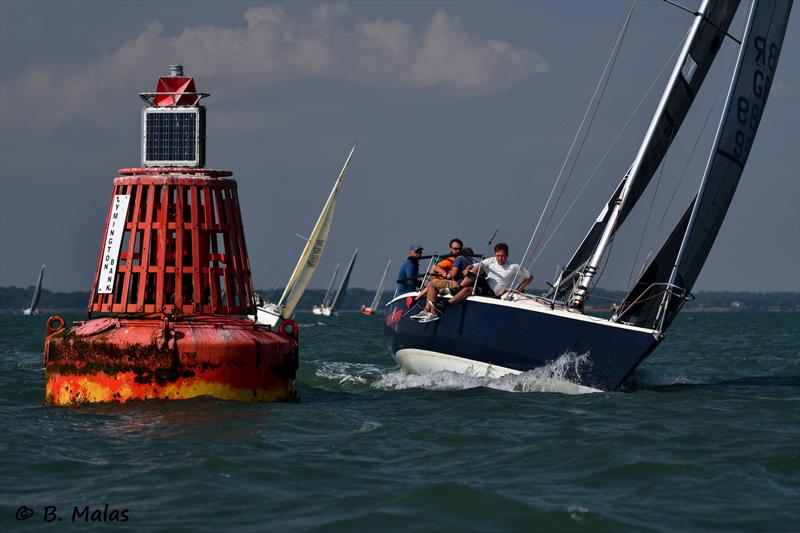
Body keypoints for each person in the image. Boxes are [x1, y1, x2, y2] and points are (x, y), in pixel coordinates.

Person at [412, 241, 472, 322]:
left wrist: (448, 274)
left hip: (457, 284)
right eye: (455, 249)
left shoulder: (458, 258)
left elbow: (452, 274)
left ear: (462, 250)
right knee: (431, 284)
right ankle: (426, 310)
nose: (457, 251)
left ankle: (430, 311)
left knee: (431, 284)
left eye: (459, 249)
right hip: (463, 284)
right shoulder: (471, 261)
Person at [465, 242, 533, 298]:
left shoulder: (513, 266)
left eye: (502, 256)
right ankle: (459, 287)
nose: (500, 258)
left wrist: (518, 289)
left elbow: (530, 277)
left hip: (494, 293)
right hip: (485, 284)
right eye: (498, 255)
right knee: (472, 273)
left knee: (468, 289)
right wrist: (469, 267)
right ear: (495, 255)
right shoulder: (492, 260)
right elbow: (478, 265)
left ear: (507, 255)